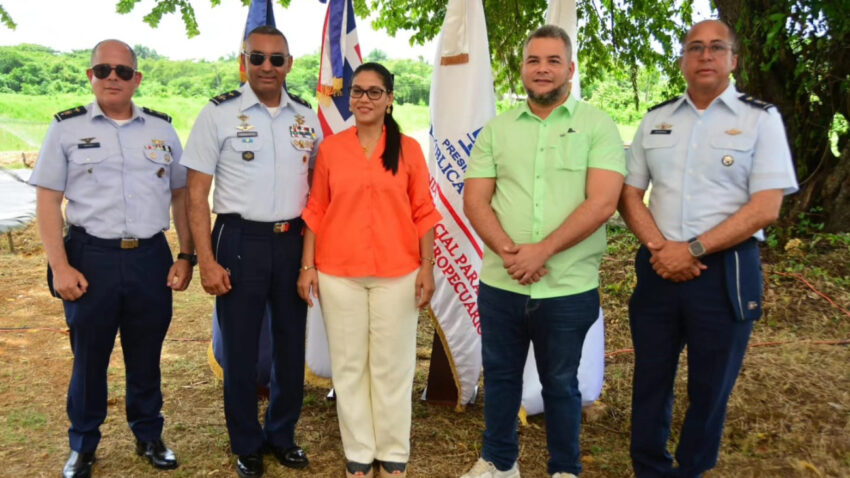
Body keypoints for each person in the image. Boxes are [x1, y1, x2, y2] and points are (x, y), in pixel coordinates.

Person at [618, 19, 799, 478]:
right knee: (651, 379)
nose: (705, 56)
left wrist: (692, 248)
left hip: (725, 272)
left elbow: (766, 207)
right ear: (682, 60)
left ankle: (692, 469)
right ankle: (649, 468)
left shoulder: (760, 119)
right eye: (695, 48)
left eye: (716, 48)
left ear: (733, 60)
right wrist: (662, 248)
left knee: (711, 384)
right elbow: (628, 193)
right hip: (658, 267)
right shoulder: (656, 119)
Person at [460, 25, 625, 478]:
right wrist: (512, 252)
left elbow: (603, 202)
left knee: (560, 384)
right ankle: (498, 463)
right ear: (522, 70)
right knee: (500, 378)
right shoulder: (497, 129)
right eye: (534, 61)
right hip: (501, 281)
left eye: (553, 61)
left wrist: (542, 252)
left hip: (568, 286)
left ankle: (564, 469)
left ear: (570, 69)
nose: (543, 69)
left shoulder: (598, 125)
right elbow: (475, 200)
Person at [30, 39, 194, 478]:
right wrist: (61, 266)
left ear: (137, 78)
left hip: (149, 257)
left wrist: (186, 254)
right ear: (91, 76)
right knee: (89, 357)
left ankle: (148, 435)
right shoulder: (66, 128)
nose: (113, 78)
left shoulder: (161, 130)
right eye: (103, 70)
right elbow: (48, 202)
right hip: (91, 257)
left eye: (123, 71)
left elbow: (181, 196)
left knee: (146, 354)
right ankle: (83, 444)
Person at [181, 25, 321, 478]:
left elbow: (321, 189)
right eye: (257, 58)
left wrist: (312, 258)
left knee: (288, 343)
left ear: (289, 65)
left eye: (276, 59)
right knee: (240, 349)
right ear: (244, 61)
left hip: (293, 240)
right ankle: (246, 443)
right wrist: (205, 258)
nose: (267, 67)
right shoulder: (218, 114)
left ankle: (282, 435)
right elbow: (195, 194)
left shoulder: (306, 117)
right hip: (238, 240)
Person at [297, 62, 441, 478]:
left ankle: (393, 453)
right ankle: (359, 452)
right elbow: (317, 210)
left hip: (398, 272)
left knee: (392, 366)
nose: (364, 99)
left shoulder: (409, 149)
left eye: (374, 92)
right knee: (349, 366)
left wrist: (427, 268)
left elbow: (424, 213)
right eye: (357, 91)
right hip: (338, 272)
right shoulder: (332, 149)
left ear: (390, 99)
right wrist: (307, 265)